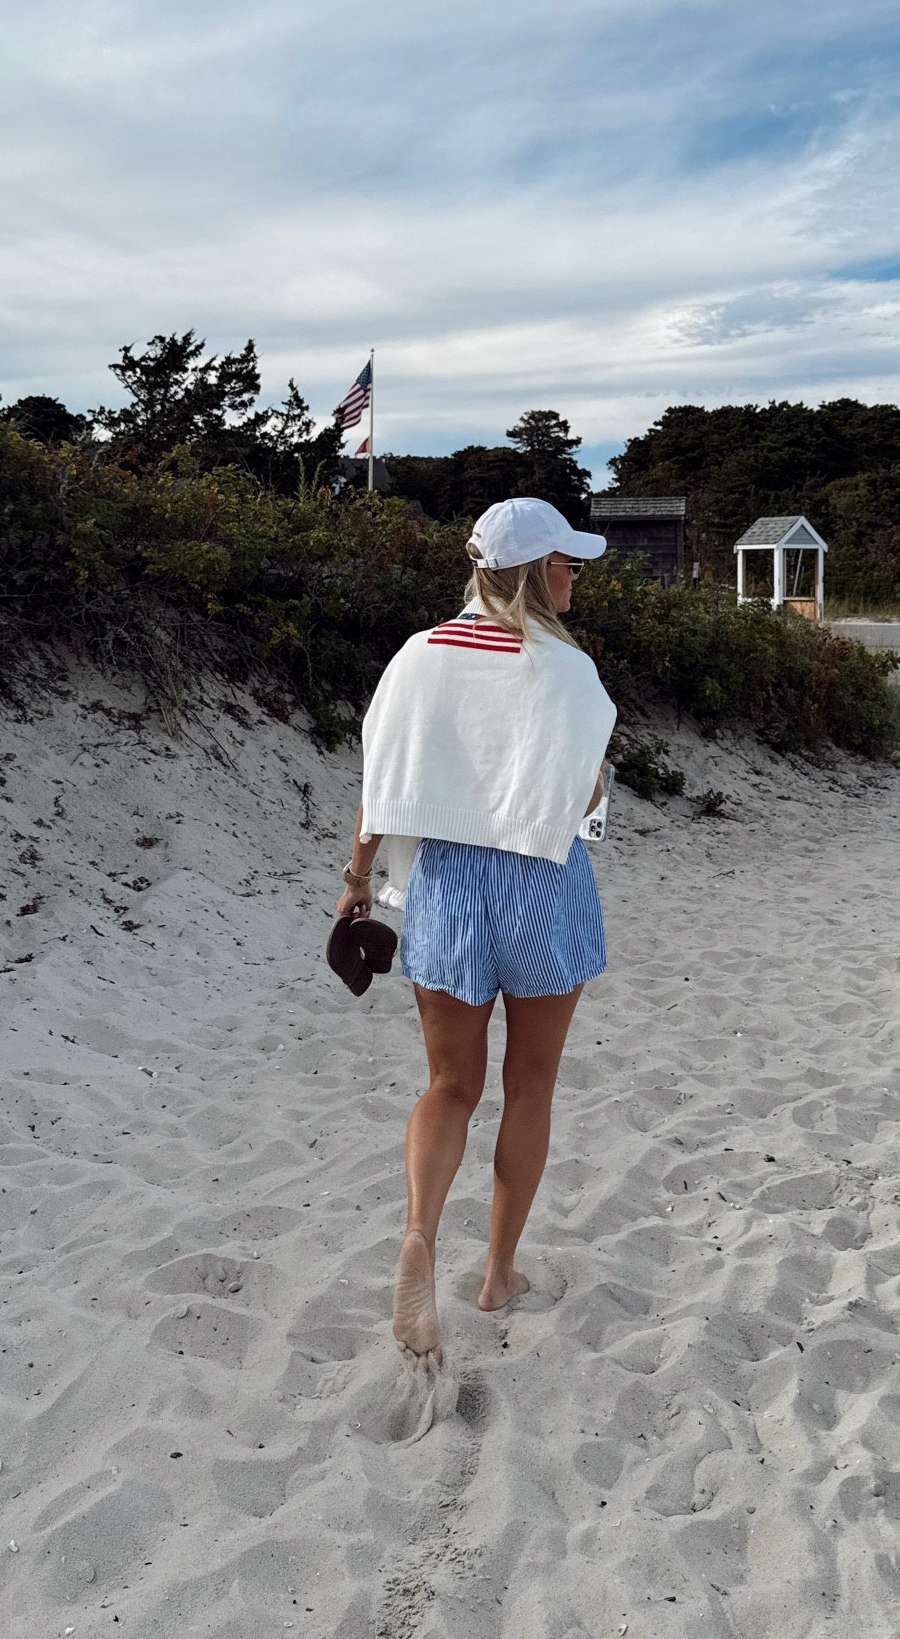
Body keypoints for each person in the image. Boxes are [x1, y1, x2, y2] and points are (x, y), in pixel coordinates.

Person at [335, 496, 616, 1364]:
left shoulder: (419, 657)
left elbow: (383, 786)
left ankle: (420, 1234)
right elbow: (584, 796)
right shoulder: (568, 670)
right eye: (568, 562)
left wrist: (357, 880)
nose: (576, 576)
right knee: (530, 1088)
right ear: (536, 571)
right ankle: (496, 1274)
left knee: (449, 1086)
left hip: (449, 885)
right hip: (541, 881)